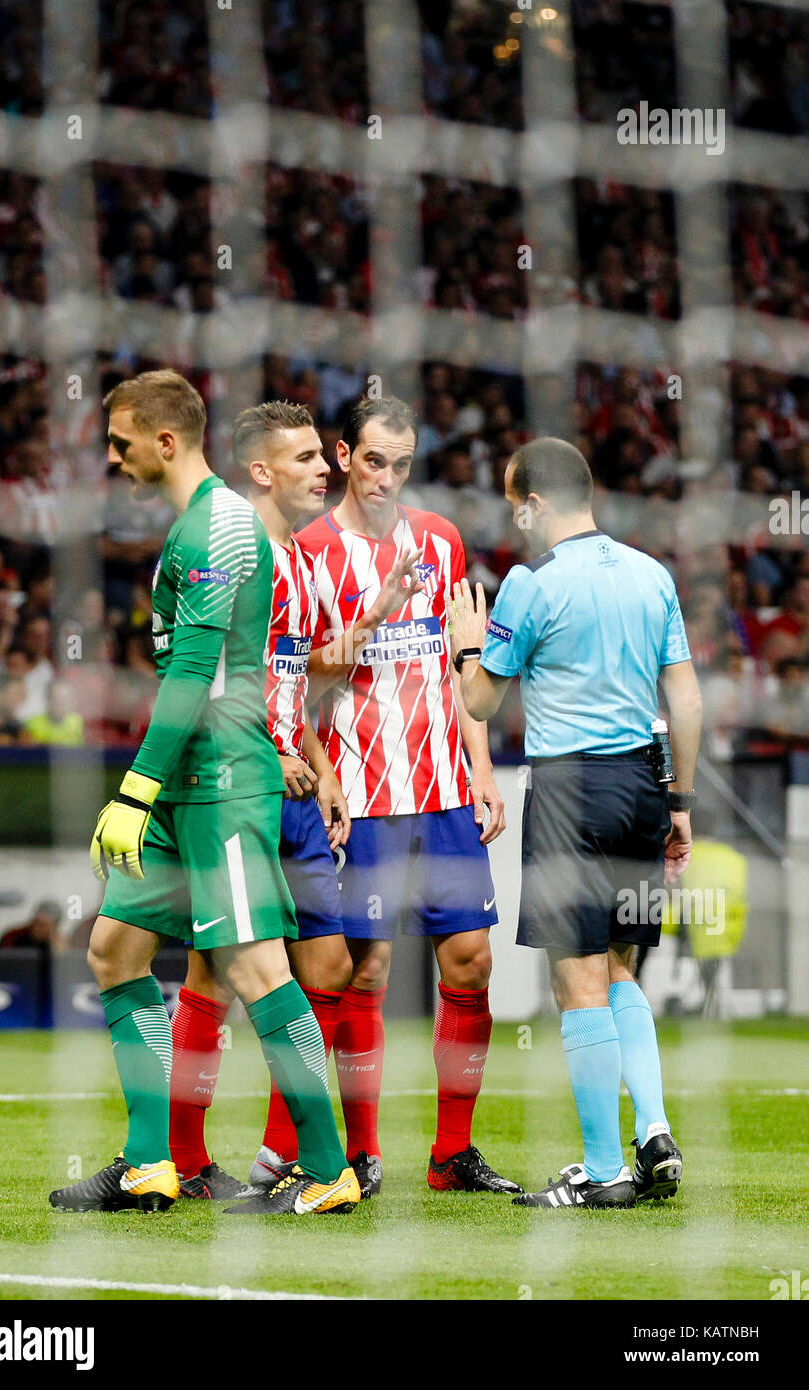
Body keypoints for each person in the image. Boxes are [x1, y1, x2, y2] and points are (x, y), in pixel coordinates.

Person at [48, 368, 360, 1217]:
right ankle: (149, 1161)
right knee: (115, 951)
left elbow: (193, 672)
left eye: (118, 442)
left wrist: (135, 788)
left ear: (164, 439)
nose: (111, 458)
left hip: (220, 779)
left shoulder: (220, 525)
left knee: (257, 969)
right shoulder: (197, 524)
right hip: (185, 782)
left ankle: (328, 1166)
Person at [449, 436, 701, 1209]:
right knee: (620, 966)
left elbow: (481, 702)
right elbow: (685, 699)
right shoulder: (650, 573)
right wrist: (680, 802)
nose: (511, 514)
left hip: (570, 790)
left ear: (533, 502)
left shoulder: (530, 583)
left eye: (511, 498)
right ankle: (653, 1130)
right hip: (643, 783)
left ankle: (602, 1171)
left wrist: (466, 643)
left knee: (576, 980)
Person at [298, 394, 519, 1194]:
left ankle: (450, 1155)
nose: (388, 477)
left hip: (446, 793)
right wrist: (376, 609)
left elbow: (461, 664)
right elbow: (307, 676)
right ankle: (361, 1152)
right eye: (375, 460)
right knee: (365, 972)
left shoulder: (441, 539)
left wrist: (484, 767)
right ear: (344, 455)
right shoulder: (312, 550)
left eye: (402, 462)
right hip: (363, 791)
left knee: (471, 960)